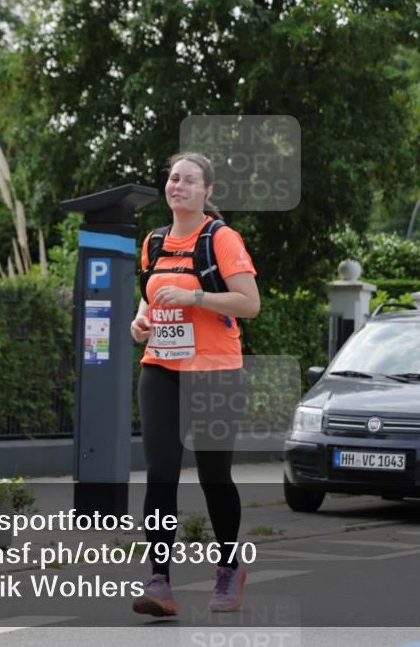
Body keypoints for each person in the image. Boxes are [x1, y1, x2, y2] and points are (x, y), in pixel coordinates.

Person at [130, 152, 260, 616]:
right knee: (160, 474)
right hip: (160, 367)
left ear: (206, 191)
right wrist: (140, 321)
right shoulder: (153, 241)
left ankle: (228, 568)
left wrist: (195, 296)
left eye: (188, 180)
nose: (177, 185)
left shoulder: (221, 239)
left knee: (213, 476)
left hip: (214, 372)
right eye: (172, 178)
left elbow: (249, 303)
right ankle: (159, 581)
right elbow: (148, 298)